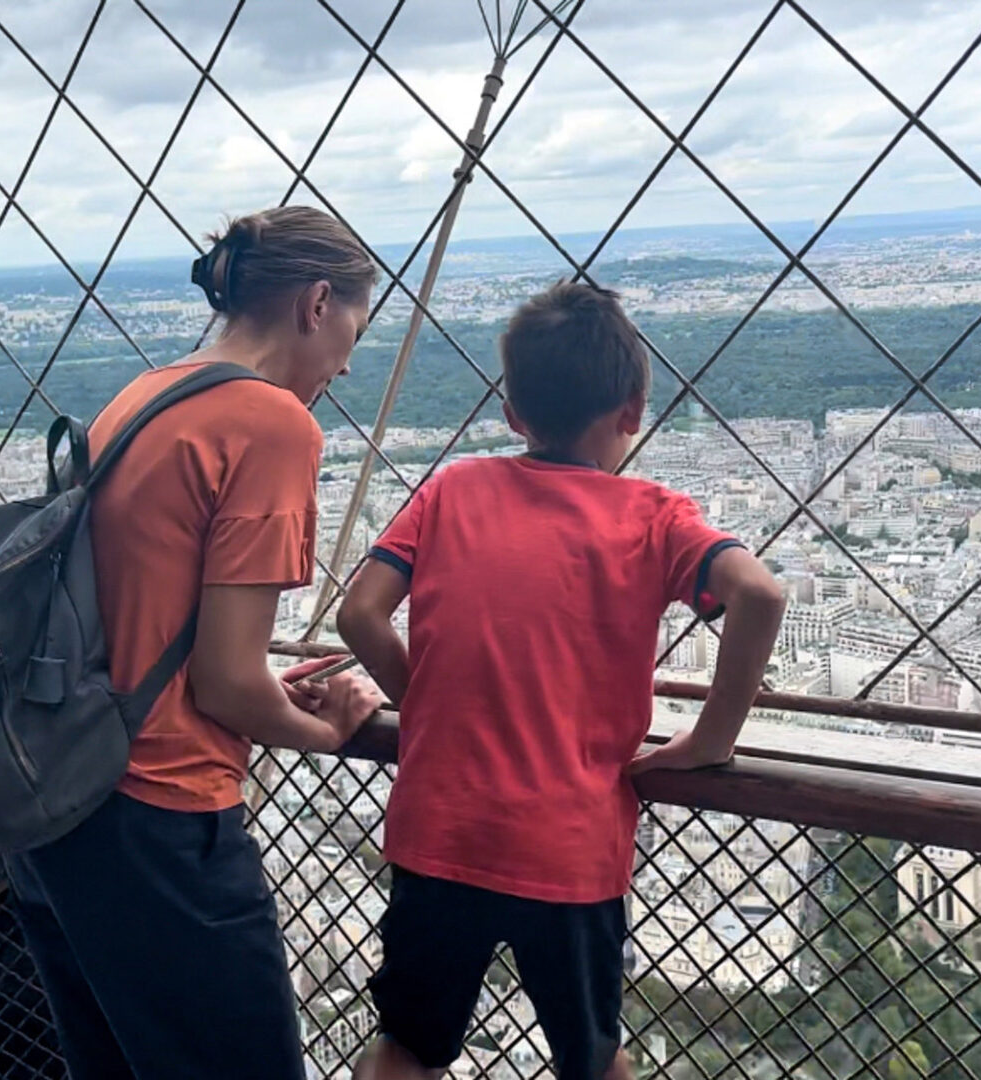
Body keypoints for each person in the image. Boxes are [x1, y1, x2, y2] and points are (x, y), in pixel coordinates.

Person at [338, 281, 788, 1080]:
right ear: (634, 409)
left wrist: (425, 700)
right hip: (570, 848)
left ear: (513, 414)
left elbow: (360, 616)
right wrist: (710, 739)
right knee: (592, 1056)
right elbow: (760, 592)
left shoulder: (452, 488)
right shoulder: (654, 515)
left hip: (439, 831)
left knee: (408, 1045)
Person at [5, 206, 384, 1080]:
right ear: (318, 303)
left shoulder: (149, 393)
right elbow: (222, 683)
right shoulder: (275, 424)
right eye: (355, 329)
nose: (350, 360)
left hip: (59, 806)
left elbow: (152, 625)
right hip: (161, 816)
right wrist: (326, 728)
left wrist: (257, 683)